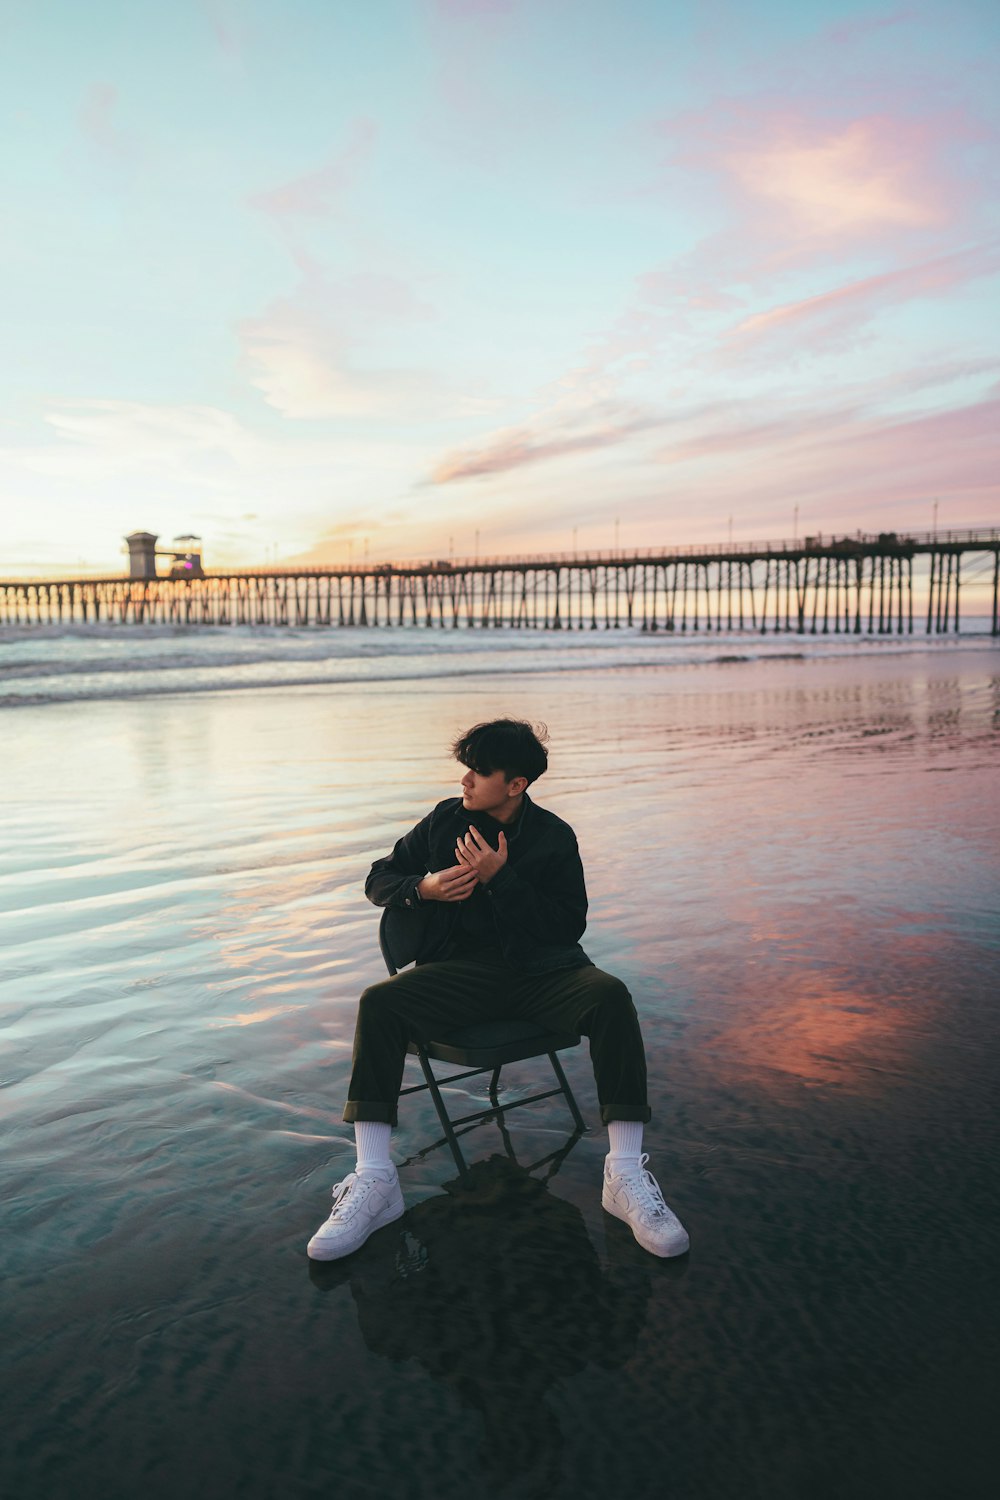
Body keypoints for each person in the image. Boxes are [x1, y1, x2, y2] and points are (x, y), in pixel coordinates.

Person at [307, 718, 689, 1262]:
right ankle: (374, 1181)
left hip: (546, 972)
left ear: (517, 784)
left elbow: (567, 927)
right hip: (461, 974)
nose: (465, 780)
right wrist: (425, 887)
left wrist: (500, 879)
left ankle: (624, 1175)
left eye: (480, 771)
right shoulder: (444, 821)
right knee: (379, 1002)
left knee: (611, 997)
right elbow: (378, 879)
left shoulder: (554, 836)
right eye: (466, 768)